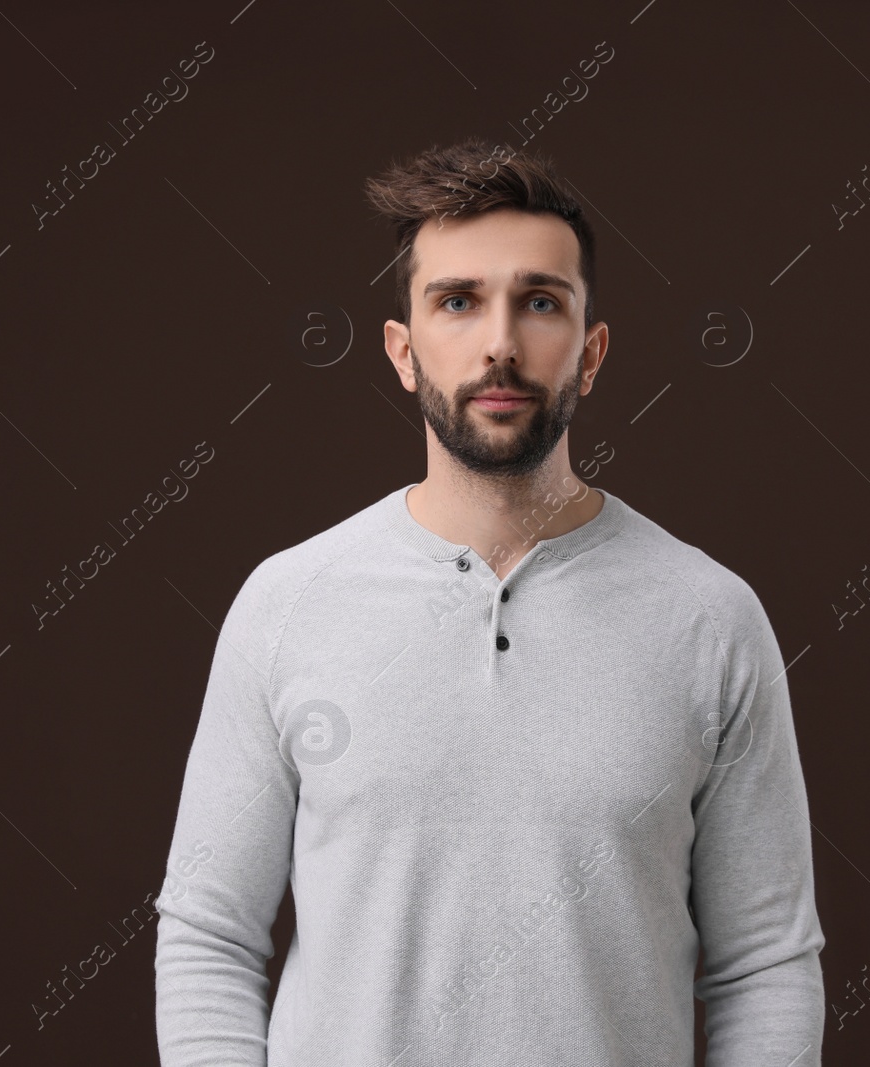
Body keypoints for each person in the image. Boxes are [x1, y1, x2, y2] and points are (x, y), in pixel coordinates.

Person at [154, 137, 825, 1066]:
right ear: (403, 350)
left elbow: (765, 965)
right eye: (458, 301)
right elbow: (208, 936)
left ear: (590, 353)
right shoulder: (287, 606)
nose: (501, 342)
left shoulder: (710, 621)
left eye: (539, 301)